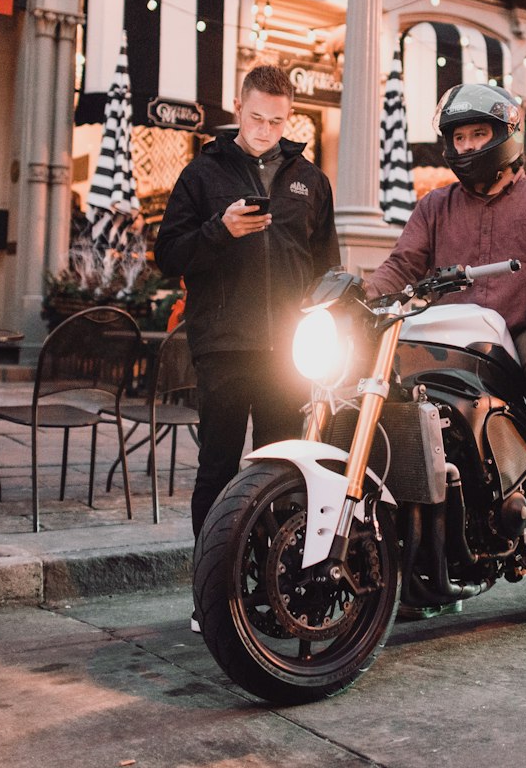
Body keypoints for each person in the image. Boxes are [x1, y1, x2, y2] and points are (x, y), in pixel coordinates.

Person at [365, 83, 526, 550]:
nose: (466, 145)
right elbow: (402, 265)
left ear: (505, 134)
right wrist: (357, 294)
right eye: (459, 137)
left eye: (478, 133)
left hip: (519, 329)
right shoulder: (434, 205)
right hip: (449, 332)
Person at [154, 64, 340, 630]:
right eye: (256, 117)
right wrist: (219, 229)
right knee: (218, 470)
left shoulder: (310, 179)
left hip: (289, 351)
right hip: (225, 345)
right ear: (239, 108)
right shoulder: (203, 173)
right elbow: (168, 255)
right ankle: (211, 596)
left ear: (290, 118)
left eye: (276, 120)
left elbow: (326, 267)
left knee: (286, 472)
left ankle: (273, 590)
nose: (264, 128)